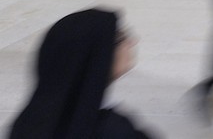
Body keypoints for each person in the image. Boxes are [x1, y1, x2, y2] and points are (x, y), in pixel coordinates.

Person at [9, 9, 153, 139]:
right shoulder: (112, 131)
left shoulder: (24, 126)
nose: (132, 42)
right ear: (99, 56)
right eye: (122, 37)